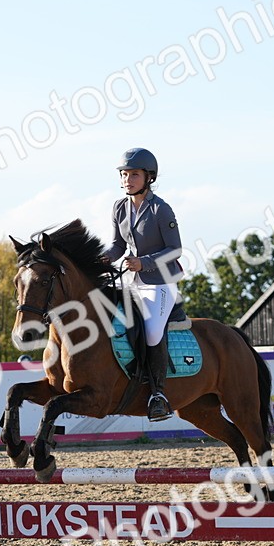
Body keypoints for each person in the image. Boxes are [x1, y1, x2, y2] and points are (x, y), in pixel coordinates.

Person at [103, 147, 184, 421]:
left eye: (134, 174)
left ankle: (158, 394)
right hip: (133, 281)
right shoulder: (119, 207)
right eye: (124, 174)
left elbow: (175, 250)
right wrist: (104, 259)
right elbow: (117, 246)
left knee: (151, 333)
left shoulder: (161, 209)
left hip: (160, 284)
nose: (128, 179)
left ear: (148, 177)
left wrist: (144, 262)